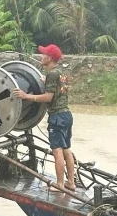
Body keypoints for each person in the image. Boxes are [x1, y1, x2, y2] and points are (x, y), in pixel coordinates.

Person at [12, 44, 76, 192]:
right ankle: (71, 182)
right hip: (66, 115)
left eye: (44, 54)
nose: (41, 56)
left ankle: (60, 185)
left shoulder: (52, 75)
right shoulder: (59, 73)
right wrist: (44, 80)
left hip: (57, 117)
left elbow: (48, 97)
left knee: (57, 150)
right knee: (66, 149)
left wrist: (25, 95)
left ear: (50, 58)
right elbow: (55, 87)